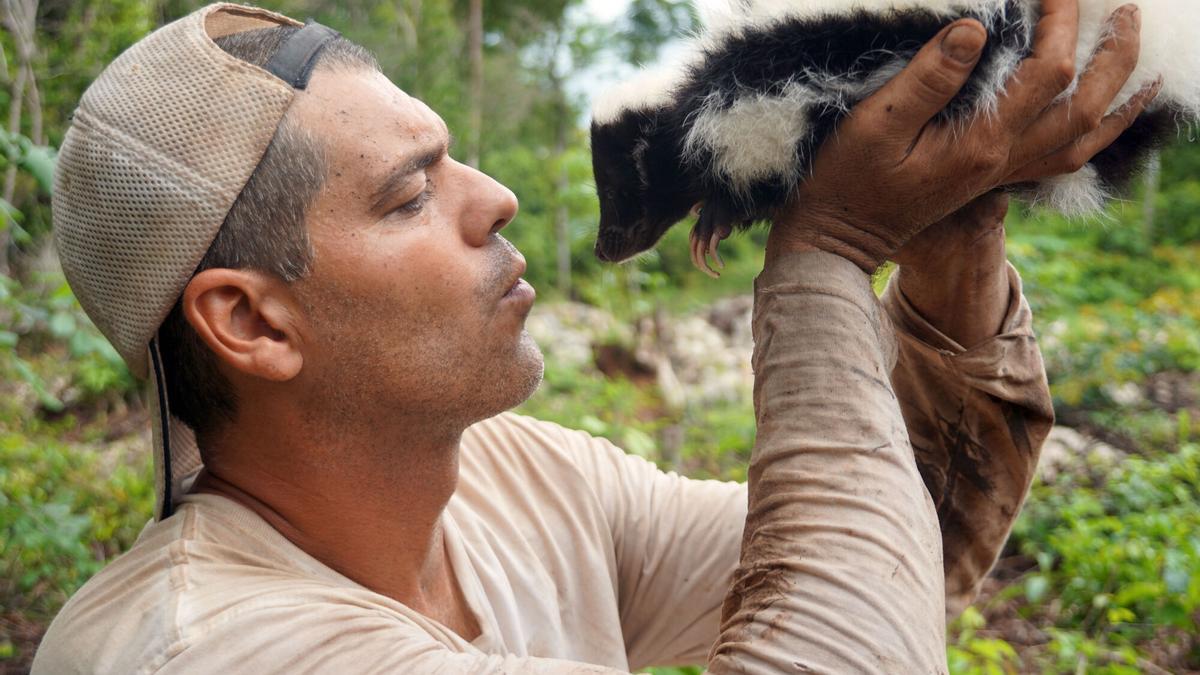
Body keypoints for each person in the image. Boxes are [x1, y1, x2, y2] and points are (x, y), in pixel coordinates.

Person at [32, 1, 1151, 673]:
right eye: (409, 195)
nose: (500, 197)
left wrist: (959, 226)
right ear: (251, 321)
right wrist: (832, 249)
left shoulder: (520, 478)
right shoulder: (201, 647)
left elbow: (908, 545)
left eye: (454, 157)